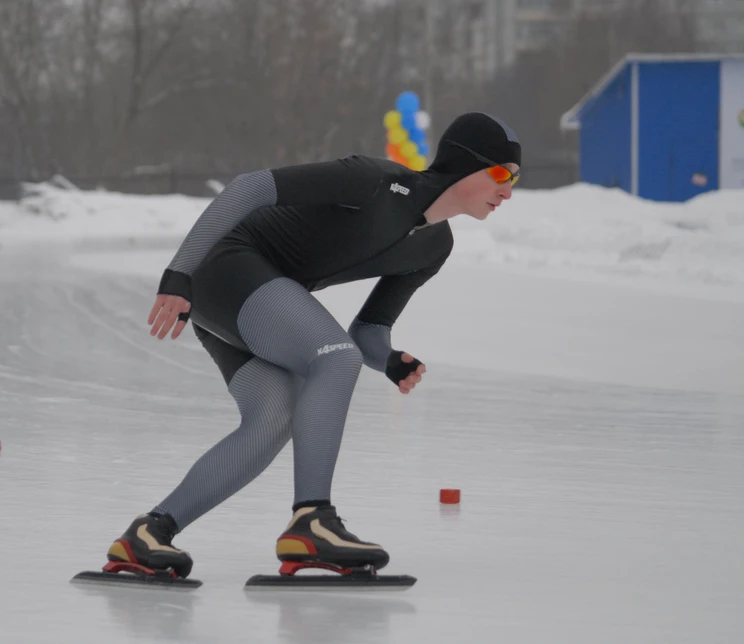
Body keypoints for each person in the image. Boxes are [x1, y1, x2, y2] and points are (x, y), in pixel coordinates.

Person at [105, 112, 521, 579]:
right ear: (464, 166)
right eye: (502, 173)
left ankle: (148, 534)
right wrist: (179, 271)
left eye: (516, 179)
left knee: (273, 417)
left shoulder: (433, 248)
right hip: (225, 266)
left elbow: (368, 330)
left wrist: (388, 360)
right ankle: (312, 520)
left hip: (253, 301)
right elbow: (248, 187)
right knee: (333, 356)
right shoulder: (376, 181)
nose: (509, 189)